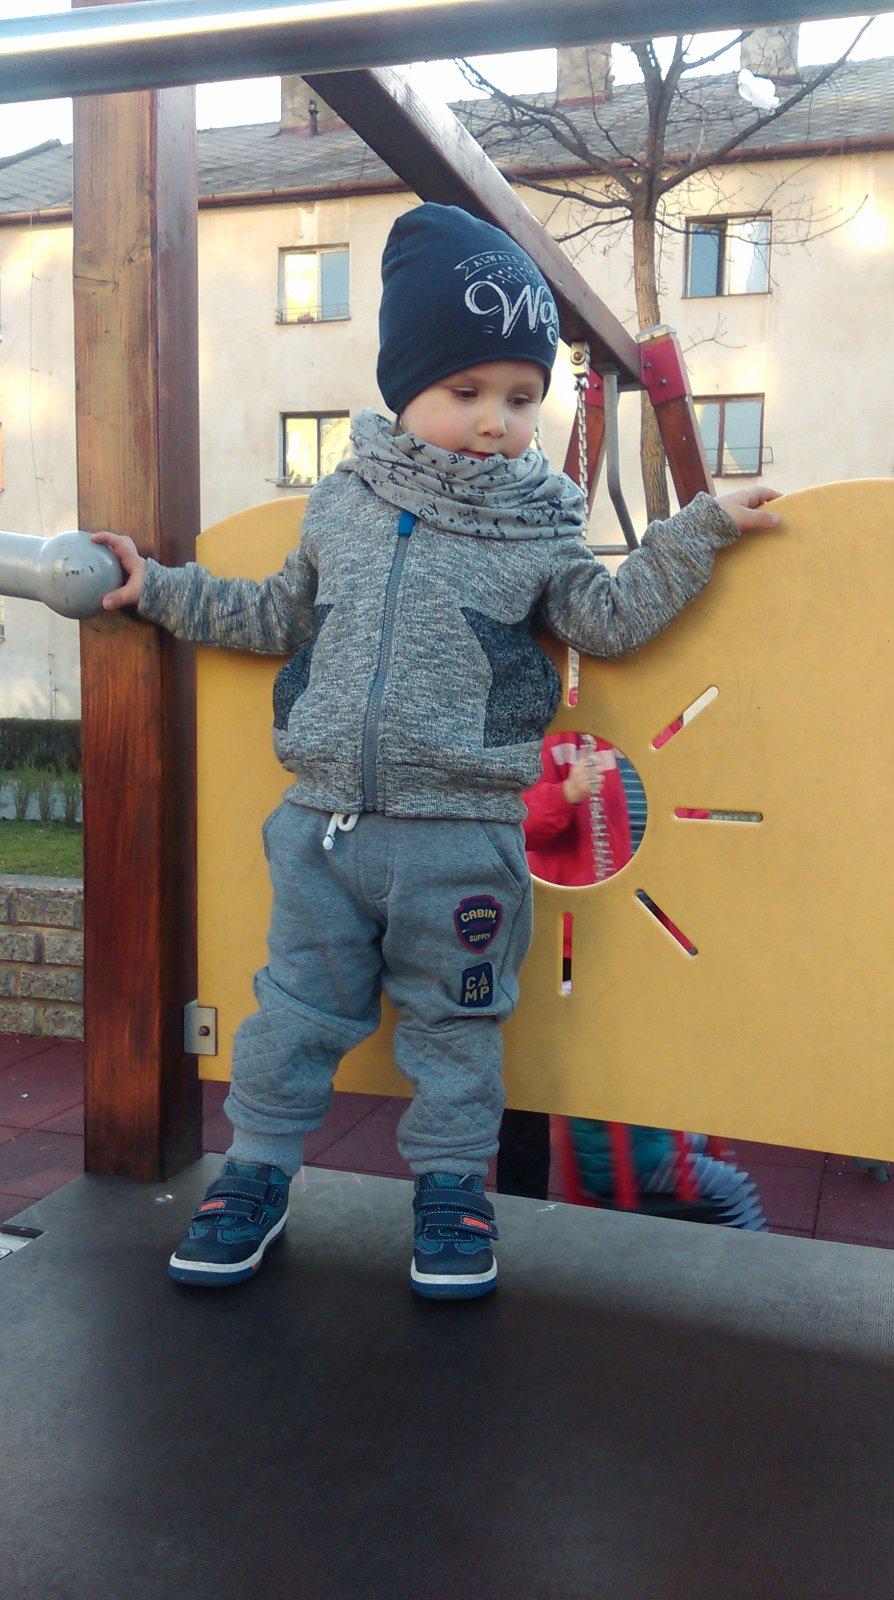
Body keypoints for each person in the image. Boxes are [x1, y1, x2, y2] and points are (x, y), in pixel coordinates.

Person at [93, 202, 780, 1298]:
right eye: (466, 391)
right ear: (403, 383)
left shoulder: (540, 520)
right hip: (324, 832)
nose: (496, 420)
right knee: (293, 1017)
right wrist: (155, 591)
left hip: (463, 842)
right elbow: (275, 616)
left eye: (520, 396)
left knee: (458, 1027)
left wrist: (696, 530)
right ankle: (255, 1175)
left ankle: (453, 1193)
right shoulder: (343, 503)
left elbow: (606, 619)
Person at [498, 730, 766, 1230]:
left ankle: (632, 1173)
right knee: (532, 1086)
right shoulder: (546, 732)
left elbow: (656, 811)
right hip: (557, 933)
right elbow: (512, 820)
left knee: (622, 1057)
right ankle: (523, 1214)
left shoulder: (618, 733)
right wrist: (565, 793)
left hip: (615, 930)